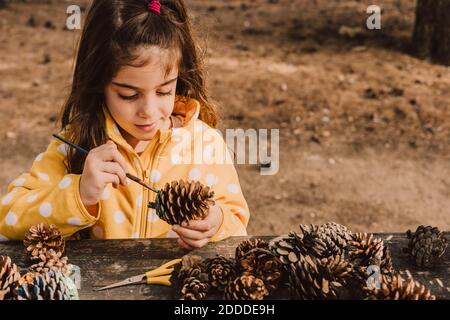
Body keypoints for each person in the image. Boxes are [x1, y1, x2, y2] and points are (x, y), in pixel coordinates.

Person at [0, 0, 250, 249]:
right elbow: (8, 218)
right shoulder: (75, 144)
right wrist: (78, 194)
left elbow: (237, 223)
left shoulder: (206, 145)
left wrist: (216, 222)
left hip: (175, 287)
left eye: (164, 91)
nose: (149, 112)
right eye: (128, 95)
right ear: (99, 85)